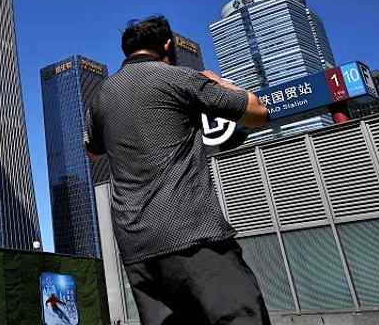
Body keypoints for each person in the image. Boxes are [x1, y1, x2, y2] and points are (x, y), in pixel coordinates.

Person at [85, 16, 272, 325]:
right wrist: (219, 83)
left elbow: (93, 150)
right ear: (168, 46)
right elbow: (259, 113)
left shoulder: (101, 97)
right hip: (191, 232)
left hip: (137, 245)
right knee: (241, 317)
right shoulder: (177, 78)